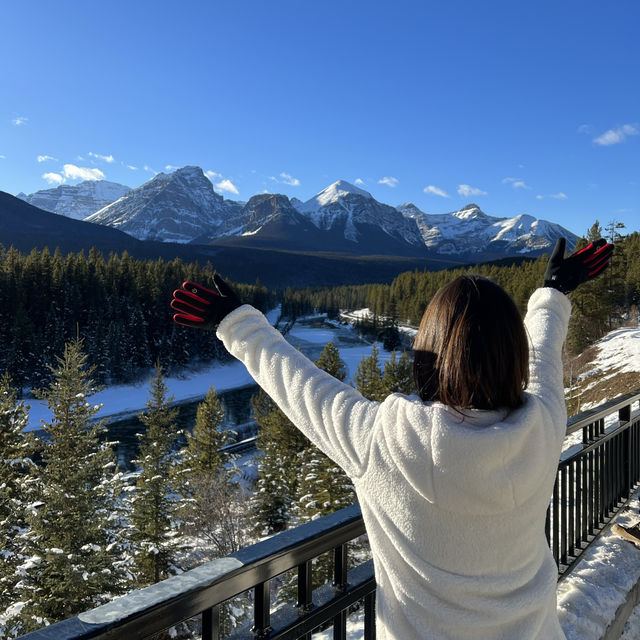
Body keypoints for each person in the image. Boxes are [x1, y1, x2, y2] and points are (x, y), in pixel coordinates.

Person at [170, 237, 614, 640]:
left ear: (427, 354)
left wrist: (234, 321)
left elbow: (299, 385)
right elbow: (542, 356)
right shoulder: (545, 423)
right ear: (511, 354)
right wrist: (553, 292)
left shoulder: (382, 440)